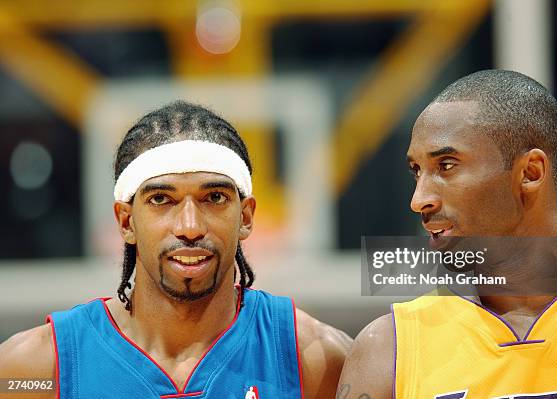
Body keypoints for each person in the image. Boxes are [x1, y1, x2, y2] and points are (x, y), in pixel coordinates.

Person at [0, 101, 352, 399]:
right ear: (126, 222)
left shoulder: (317, 359)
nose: (189, 228)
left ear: (245, 217)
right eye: (161, 200)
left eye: (213, 198)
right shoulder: (33, 369)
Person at [337, 70, 557, 398]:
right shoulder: (387, 350)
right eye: (416, 172)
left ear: (530, 172)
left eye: (446, 166)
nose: (419, 200)